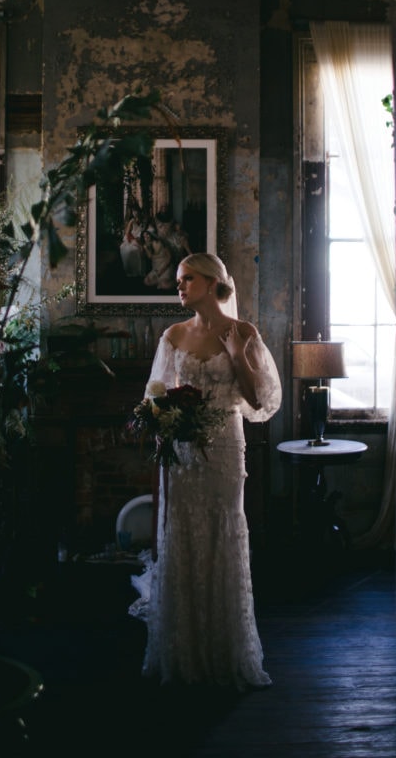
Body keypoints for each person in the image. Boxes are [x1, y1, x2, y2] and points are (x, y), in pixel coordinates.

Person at [130, 252, 282, 690]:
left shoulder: (244, 332)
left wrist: (238, 355)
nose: (178, 286)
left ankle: (223, 650)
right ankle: (182, 650)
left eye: (186, 279)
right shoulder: (173, 336)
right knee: (181, 536)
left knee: (222, 534)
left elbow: (258, 401)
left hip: (224, 453)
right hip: (181, 455)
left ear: (212, 282)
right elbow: (154, 400)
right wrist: (162, 426)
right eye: (178, 280)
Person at [119, 201, 146, 278]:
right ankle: (131, 271)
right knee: (129, 251)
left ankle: (139, 271)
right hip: (131, 238)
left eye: (136, 211)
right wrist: (133, 240)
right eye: (133, 211)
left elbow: (144, 230)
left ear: (139, 212)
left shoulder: (143, 221)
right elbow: (127, 233)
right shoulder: (132, 221)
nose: (135, 213)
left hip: (140, 238)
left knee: (139, 250)